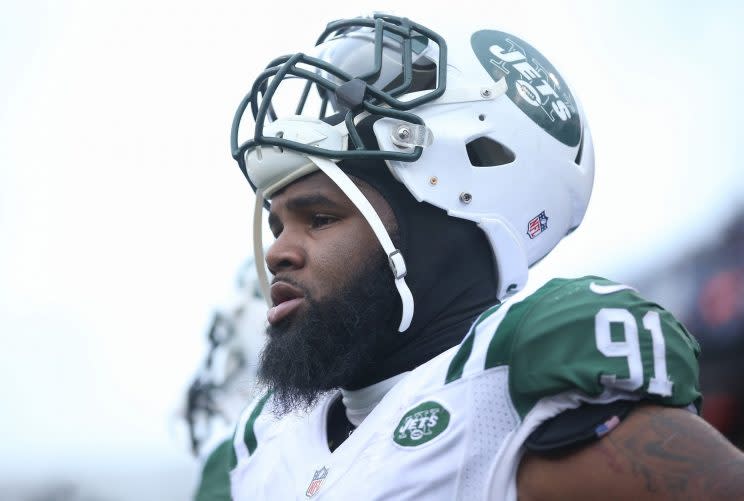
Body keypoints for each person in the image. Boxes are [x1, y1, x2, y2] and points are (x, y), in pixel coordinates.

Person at [196, 13, 744, 500]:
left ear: (450, 215)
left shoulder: (502, 394)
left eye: (320, 218)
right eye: (276, 223)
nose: (277, 252)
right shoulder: (257, 449)